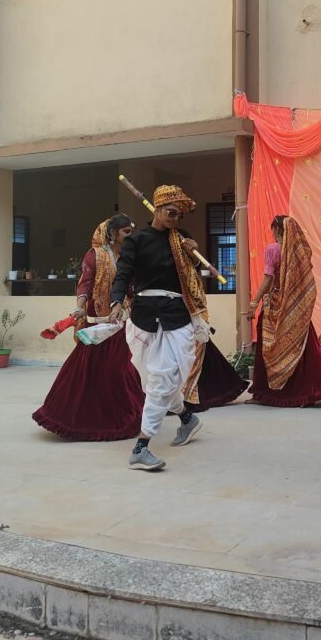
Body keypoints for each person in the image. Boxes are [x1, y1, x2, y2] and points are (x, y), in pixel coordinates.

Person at [110, 185, 213, 471]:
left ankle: (141, 448)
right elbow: (123, 275)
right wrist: (116, 301)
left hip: (177, 316)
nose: (175, 218)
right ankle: (187, 419)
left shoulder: (181, 240)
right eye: (171, 212)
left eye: (179, 215)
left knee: (162, 378)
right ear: (157, 209)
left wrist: (193, 255)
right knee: (154, 381)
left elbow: (192, 279)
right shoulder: (137, 241)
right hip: (144, 316)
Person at [32, 214, 144, 441]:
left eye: (131, 232)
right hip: (98, 321)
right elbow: (85, 283)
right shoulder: (95, 255)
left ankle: (121, 412)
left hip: (120, 319)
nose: (130, 236)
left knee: (118, 366)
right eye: (126, 232)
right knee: (90, 368)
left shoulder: (129, 257)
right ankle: (82, 417)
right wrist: (79, 308)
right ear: (113, 234)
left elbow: (132, 287)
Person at [246, 215, 321, 407]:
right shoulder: (299, 253)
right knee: (305, 348)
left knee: (266, 346)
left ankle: (265, 393)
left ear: (277, 230)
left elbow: (268, 278)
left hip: (276, 306)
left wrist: (254, 302)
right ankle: (309, 391)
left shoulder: (273, 249)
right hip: (296, 309)